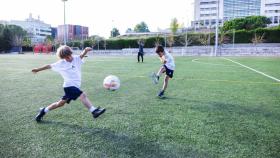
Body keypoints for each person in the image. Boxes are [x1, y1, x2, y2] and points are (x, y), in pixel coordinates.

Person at [31, 46, 106, 122]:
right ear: (63, 58)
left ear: (71, 53)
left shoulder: (76, 59)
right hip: (69, 86)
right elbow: (49, 66)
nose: (69, 58)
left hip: (74, 86)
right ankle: (94, 111)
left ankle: (43, 110)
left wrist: (86, 50)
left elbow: (81, 55)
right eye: (66, 57)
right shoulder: (61, 63)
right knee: (82, 95)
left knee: (60, 104)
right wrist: (37, 69)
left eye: (69, 56)